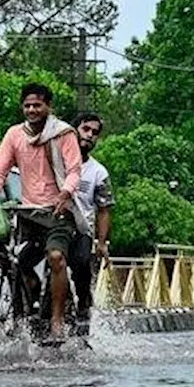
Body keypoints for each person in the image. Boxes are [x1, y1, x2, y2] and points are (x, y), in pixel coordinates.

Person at [0, 83, 85, 338]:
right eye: (27, 105)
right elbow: (0, 169)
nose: (32, 110)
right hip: (28, 213)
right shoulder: (15, 135)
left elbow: (74, 170)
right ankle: (28, 303)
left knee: (56, 257)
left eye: (37, 105)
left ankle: (58, 319)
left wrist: (65, 193)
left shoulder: (63, 134)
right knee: (10, 257)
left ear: (48, 107)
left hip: (57, 212)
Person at [69, 113, 113, 320]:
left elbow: (104, 209)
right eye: (86, 129)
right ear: (74, 129)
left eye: (95, 133)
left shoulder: (98, 172)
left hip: (81, 229)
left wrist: (102, 243)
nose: (90, 135)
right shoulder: (55, 160)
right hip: (51, 222)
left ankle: (84, 305)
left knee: (82, 266)